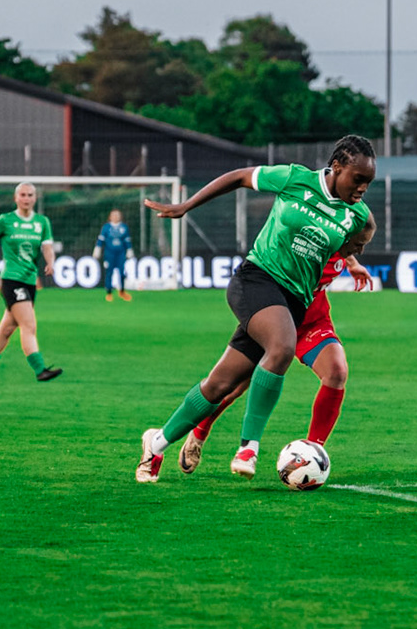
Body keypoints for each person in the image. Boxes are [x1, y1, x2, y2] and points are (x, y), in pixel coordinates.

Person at [134, 136, 377, 482]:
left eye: (369, 181)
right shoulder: (294, 179)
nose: (363, 187)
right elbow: (238, 177)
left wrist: (352, 260)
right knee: (282, 348)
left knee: (219, 385)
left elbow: (350, 239)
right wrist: (187, 205)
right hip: (256, 279)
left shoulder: (357, 216)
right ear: (337, 167)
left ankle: (155, 444)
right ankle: (248, 448)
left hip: (294, 301)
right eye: (358, 178)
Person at [180, 250, 374, 475]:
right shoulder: (299, 235)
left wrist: (352, 263)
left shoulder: (343, 234)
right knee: (234, 386)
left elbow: (345, 241)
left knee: (336, 371)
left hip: (311, 321)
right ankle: (200, 430)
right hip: (274, 316)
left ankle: (311, 454)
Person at [0, 182, 63, 382]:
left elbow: (47, 247)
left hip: (29, 281)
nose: (26, 198)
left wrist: (51, 262)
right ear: (15, 198)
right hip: (12, 281)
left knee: (7, 329)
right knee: (28, 325)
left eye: (30, 195)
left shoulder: (42, 222)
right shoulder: (4, 221)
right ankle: (40, 370)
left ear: (35, 198)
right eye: (23, 195)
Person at [94, 208, 133, 302]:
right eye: (114, 215)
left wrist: (129, 250)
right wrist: (97, 249)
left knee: (122, 272)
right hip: (109, 253)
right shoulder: (106, 227)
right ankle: (109, 293)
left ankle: (122, 291)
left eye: (117, 215)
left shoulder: (124, 227)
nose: (116, 217)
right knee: (109, 272)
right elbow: (101, 239)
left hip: (121, 253)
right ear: (110, 217)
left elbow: (127, 240)